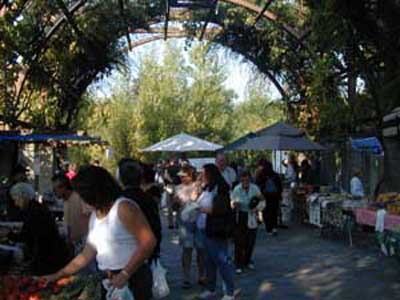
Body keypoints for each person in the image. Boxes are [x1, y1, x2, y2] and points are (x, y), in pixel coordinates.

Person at [44, 166, 156, 300]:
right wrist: (58, 275)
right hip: (109, 280)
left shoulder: (124, 208)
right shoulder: (95, 216)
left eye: (83, 196)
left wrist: (125, 273)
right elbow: (87, 254)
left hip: (132, 278)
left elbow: (149, 242)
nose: (81, 200)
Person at [9, 182, 69, 275]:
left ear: (23, 197)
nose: (16, 203)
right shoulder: (35, 208)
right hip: (49, 254)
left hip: (48, 257)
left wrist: (9, 235)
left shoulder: (34, 211)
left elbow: (28, 235)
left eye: (16, 199)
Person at [197, 164, 235, 300]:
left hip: (216, 229)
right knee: (209, 261)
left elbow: (219, 209)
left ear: (210, 174)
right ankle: (210, 288)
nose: (201, 176)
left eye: (203, 173)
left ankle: (229, 292)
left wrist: (199, 208)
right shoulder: (208, 187)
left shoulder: (221, 188)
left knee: (222, 260)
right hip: (205, 229)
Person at [117, 158, 162, 263]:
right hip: (147, 252)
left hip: (128, 254)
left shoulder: (120, 200)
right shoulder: (147, 198)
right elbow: (156, 226)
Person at [174, 165, 205, 289]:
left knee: (200, 250)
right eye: (180, 176)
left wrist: (197, 192)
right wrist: (175, 202)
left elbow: (202, 201)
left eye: (184, 176)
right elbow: (175, 207)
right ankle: (186, 277)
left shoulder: (198, 186)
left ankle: (201, 275)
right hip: (184, 223)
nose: (182, 178)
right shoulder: (177, 188)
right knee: (187, 250)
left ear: (190, 175)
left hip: (198, 221)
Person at [231, 171, 265, 274]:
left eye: (247, 179)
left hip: (252, 215)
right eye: (243, 180)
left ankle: (247, 260)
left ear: (250, 179)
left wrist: (258, 208)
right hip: (240, 215)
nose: (245, 181)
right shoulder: (237, 189)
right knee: (239, 241)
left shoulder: (255, 188)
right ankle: (238, 263)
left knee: (251, 241)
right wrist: (235, 204)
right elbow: (232, 203)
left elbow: (262, 200)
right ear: (240, 180)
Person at [52, 173, 91, 254]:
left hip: (85, 244)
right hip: (73, 244)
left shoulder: (79, 197)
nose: (54, 192)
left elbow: (91, 215)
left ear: (64, 187)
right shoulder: (65, 201)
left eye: (56, 189)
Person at [256, 160, 283, 236]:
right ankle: (274, 227)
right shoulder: (275, 175)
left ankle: (269, 229)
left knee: (266, 212)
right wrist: (279, 195)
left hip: (265, 196)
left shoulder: (261, 174)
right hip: (274, 196)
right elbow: (280, 186)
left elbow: (258, 185)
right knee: (274, 212)